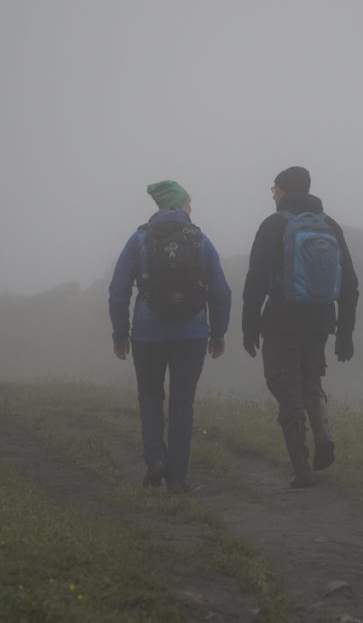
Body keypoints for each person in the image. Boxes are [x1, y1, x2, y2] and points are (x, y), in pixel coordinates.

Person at [109, 180, 231, 494]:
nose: (192, 208)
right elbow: (221, 292)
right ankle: (177, 479)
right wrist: (217, 334)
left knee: (150, 397)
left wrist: (121, 334)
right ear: (178, 206)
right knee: (182, 404)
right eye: (189, 202)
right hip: (191, 334)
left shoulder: (139, 240)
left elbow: (118, 290)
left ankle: (155, 460)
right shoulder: (200, 241)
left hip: (148, 334)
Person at [242, 166, 359, 488]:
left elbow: (256, 280)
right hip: (320, 321)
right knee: (311, 377)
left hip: (281, 318)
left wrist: (249, 325)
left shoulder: (273, 225)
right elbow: (349, 283)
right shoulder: (329, 225)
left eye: (273, 189)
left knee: (283, 384)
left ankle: (302, 469)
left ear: (282, 191)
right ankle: (323, 435)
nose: (272, 195)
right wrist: (345, 332)